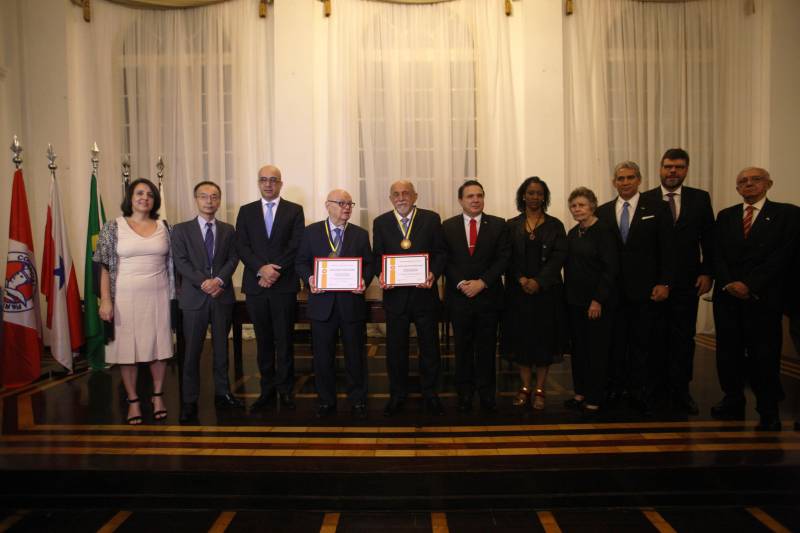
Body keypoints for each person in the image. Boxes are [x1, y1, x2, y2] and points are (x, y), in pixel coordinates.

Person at [711, 167, 798, 431]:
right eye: (742, 182)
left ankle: (768, 408)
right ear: (737, 189)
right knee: (728, 353)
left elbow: (785, 255)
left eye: (755, 180)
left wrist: (750, 284)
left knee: (765, 355)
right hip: (728, 297)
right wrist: (729, 282)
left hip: (764, 297)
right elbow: (715, 252)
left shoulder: (788, 215)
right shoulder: (725, 216)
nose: (748, 184)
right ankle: (733, 399)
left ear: (769, 184)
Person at [95, 178, 175, 424]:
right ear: (130, 197)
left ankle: (158, 396)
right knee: (127, 350)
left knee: (158, 348)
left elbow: (173, 263)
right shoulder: (113, 227)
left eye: (150, 194)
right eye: (139, 193)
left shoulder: (164, 226)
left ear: (155, 200)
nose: (145, 198)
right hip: (124, 298)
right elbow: (104, 266)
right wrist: (105, 300)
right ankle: (133, 400)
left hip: (159, 296)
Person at [641, 148, 715, 415]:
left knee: (683, 339)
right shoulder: (645, 199)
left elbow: (709, 239)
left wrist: (707, 272)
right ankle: (654, 390)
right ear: (660, 168)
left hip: (687, 283)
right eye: (668, 166)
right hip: (652, 285)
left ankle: (681, 391)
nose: (673, 171)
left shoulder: (699, 198)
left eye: (679, 167)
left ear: (686, 170)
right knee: (654, 339)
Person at [596, 161, 673, 414]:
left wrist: (664, 281)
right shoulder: (605, 211)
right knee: (615, 343)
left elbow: (668, 248)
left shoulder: (658, 208)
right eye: (620, 178)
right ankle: (617, 388)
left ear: (639, 180)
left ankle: (640, 391)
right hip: (613, 292)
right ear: (613, 182)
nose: (625, 182)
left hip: (646, 290)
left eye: (630, 177)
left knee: (642, 344)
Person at [296, 189, 375, 419]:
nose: (347, 208)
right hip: (322, 305)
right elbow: (300, 262)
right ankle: (326, 400)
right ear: (327, 205)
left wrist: (363, 280)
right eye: (341, 203)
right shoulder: (311, 232)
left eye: (350, 204)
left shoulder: (360, 234)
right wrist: (310, 278)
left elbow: (369, 264)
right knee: (323, 357)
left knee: (355, 356)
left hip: (351, 304)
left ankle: (358, 399)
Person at [373, 180, 447, 416]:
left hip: (425, 295)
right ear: (390, 198)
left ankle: (430, 393)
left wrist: (433, 274)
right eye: (396, 194)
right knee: (396, 349)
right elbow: (377, 257)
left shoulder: (431, 219)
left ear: (415, 196)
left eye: (406, 193)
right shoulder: (381, 222)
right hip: (395, 297)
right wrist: (382, 274)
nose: (401, 197)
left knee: (429, 348)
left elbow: (441, 253)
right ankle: (397, 394)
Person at [235, 165, 304, 411]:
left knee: (284, 340)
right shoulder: (246, 211)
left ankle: (285, 391)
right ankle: (267, 390)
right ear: (258, 182)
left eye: (273, 180)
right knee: (263, 341)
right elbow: (242, 246)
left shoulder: (294, 211)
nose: (268, 184)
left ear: (280, 184)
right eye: (263, 180)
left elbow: (296, 245)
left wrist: (274, 271)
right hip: (256, 285)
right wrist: (261, 269)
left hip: (283, 285)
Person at [171, 181, 242, 424]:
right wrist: (204, 282)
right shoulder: (180, 230)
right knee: (191, 352)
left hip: (221, 297)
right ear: (196, 199)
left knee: (222, 349)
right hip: (194, 298)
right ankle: (189, 401)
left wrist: (219, 280)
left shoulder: (228, 229)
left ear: (219, 200)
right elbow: (180, 261)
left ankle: (223, 393)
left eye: (214, 196)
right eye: (204, 196)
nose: (209, 201)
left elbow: (234, 258)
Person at [442, 181, 510, 413]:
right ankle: (464, 394)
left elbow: (503, 259)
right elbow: (445, 260)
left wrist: (482, 283)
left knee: (487, 349)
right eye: (470, 196)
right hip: (459, 298)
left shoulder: (499, 225)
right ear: (460, 200)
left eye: (479, 195)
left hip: (488, 298)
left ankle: (486, 394)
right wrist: (462, 283)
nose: (475, 200)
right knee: (462, 349)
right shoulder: (447, 226)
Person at [502, 177, 568, 411]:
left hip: (546, 294)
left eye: (539, 193)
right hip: (518, 293)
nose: (534, 197)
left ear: (544, 197)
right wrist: (521, 279)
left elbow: (559, 257)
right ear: (523, 195)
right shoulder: (511, 225)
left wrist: (539, 281)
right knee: (522, 340)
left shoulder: (555, 225)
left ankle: (540, 388)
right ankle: (524, 387)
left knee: (543, 341)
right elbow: (506, 258)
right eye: (530, 193)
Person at [564, 187, 619, 417]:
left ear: (593, 206)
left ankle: (595, 396)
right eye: (574, 205)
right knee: (579, 349)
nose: (577, 209)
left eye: (582, 205)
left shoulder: (604, 231)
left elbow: (611, 268)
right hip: (575, 301)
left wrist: (598, 300)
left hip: (597, 303)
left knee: (596, 350)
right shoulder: (573, 232)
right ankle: (580, 393)